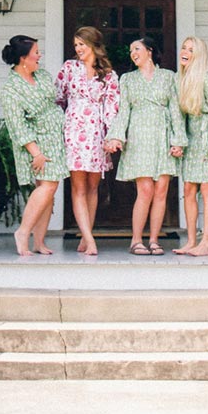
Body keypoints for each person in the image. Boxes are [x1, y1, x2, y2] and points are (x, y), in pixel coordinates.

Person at [105, 37, 187, 255]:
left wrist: (178, 140)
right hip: (139, 136)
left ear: (150, 51)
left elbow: (175, 111)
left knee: (161, 190)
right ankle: (136, 240)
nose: (133, 53)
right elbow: (124, 111)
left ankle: (154, 240)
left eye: (137, 48)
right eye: (131, 50)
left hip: (162, 135)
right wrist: (116, 137)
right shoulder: (128, 79)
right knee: (145, 190)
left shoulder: (169, 77)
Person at [0, 34, 69, 257]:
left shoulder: (42, 76)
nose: (39, 56)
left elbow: (55, 100)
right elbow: (16, 124)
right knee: (47, 187)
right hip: (35, 142)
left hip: (55, 138)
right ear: (23, 58)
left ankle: (39, 241)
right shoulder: (11, 89)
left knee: (50, 189)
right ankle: (23, 232)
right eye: (35, 52)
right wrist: (36, 152)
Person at [54, 26, 120, 256]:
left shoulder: (109, 74)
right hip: (73, 130)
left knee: (93, 187)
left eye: (82, 44)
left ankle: (85, 234)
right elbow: (58, 98)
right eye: (76, 45)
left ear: (93, 45)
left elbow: (113, 107)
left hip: (97, 134)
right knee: (78, 187)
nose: (78, 49)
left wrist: (111, 135)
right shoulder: (69, 68)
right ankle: (90, 240)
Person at [173, 35, 208, 257]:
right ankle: (191, 240)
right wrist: (179, 141)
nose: (185, 52)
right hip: (192, 140)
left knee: (207, 190)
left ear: (199, 55)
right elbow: (178, 116)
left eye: (191, 49)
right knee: (188, 190)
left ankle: (205, 242)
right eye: (184, 48)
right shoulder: (181, 79)